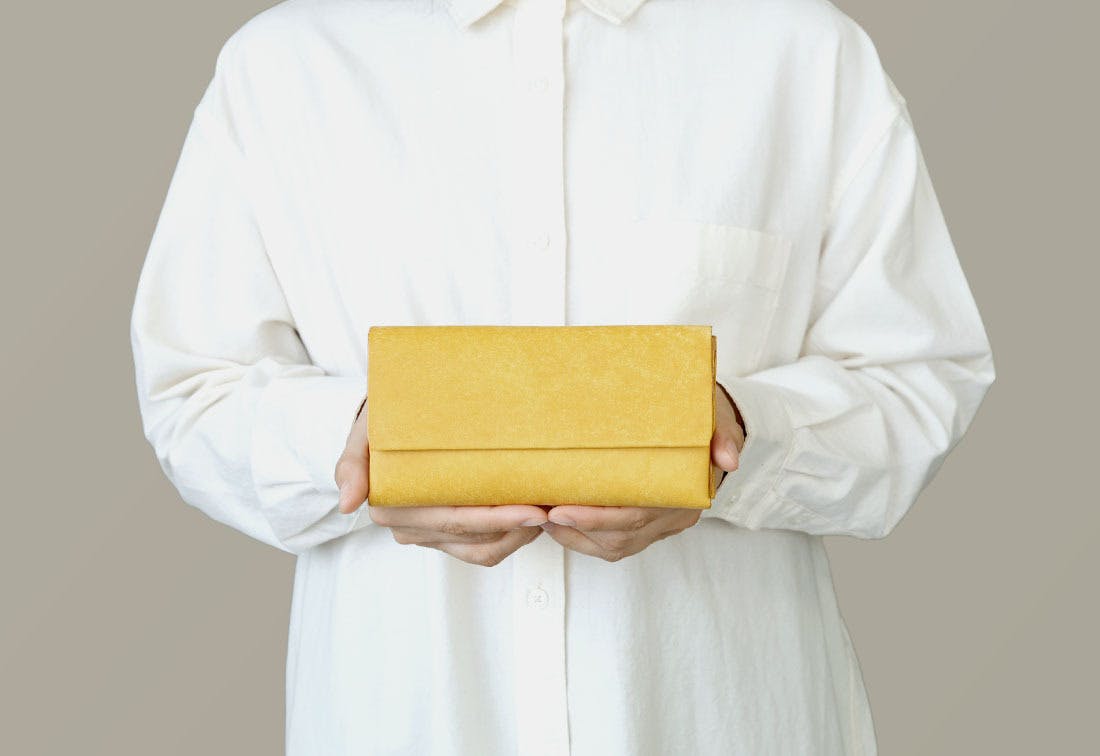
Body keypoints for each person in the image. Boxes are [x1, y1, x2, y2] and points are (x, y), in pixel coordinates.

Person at [129, 0, 995, 753]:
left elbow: (919, 377)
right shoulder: (285, 64)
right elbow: (193, 392)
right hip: (402, 723)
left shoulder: (802, 50)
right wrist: (358, 446)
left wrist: (742, 436)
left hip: (718, 724)